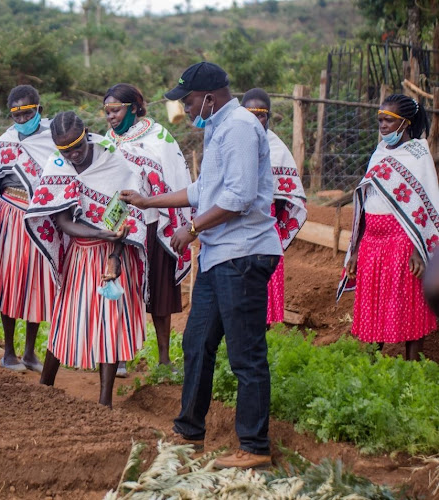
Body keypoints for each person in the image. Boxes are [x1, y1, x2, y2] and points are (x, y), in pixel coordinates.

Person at [121, 62, 282, 468]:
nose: (186, 109)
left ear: (210, 95)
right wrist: (148, 202)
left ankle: (254, 446)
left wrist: (190, 229)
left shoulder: (241, 127)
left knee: (246, 353)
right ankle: (189, 431)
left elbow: (240, 196)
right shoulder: (217, 127)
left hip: (242, 253)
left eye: (189, 100)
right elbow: (202, 190)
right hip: (219, 254)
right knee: (196, 343)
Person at [25, 111, 148, 407]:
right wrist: (102, 235)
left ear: (88, 134)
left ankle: (104, 402)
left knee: (110, 321)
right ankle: (46, 386)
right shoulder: (59, 165)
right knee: (67, 318)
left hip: (114, 255)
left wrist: (115, 255)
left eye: (77, 147)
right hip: (81, 254)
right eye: (64, 150)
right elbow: (64, 223)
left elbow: (126, 218)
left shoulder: (114, 163)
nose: (73, 155)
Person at [338, 94, 437, 361]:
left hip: (403, 243)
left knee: (410, 306)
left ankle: (411, 371)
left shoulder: (418, 155)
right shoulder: (379, 152)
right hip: (372, 242)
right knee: (374, 306)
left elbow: (427, 208)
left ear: (406, 122)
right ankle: (370, 370)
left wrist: (419, 250)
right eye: (380, 120)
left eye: (389, 121)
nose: (382, 126)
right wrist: (357, 249)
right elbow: (366, 202)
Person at [103, 83, 192, 370]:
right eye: (106, 112)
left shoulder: (158, 137)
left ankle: (164, 358)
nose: (111, 117)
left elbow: (176, 177)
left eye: (115, 110)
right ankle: (118, 357)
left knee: (160, 292)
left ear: (133, 108)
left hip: (155, 225)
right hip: (120, 229)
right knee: (121, 289)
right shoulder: (107, 139)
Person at [0, 85, 55, 372]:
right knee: (10, 283)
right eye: (17, 114)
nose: (23, 119)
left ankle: (30, 352)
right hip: (9, 217)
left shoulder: (54, 140)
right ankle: (9, 351)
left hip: (41, 219)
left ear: (39, 109)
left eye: (28, 112)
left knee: (36, 283)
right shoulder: (4, 143)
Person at [241, 88, 307, 325]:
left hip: (265, 232)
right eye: (249, 114)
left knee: (262, 301)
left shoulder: (277, 150)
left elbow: (288, 197)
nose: (255, 120)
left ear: (268, 117)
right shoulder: (230, 144)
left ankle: (260, 351)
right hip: (234, 233)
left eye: (261, 115)